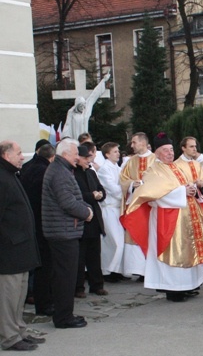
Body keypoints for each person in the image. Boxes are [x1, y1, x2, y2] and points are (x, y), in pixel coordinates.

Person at [123, 133, 203, 302]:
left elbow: (188, 184)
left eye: (171, 150)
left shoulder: (177, 167)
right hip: (166, 218)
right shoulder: (153, 170)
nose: (170, 153)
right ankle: (173, 290)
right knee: (173, 252)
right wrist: (182, 192)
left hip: (185, 217)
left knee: (186, 250)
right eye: (165, 150)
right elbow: (152, 193)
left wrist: (192, 189)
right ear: (157, 153)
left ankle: (188, 286)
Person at [42, 139, 92, 328]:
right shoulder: (60, 173)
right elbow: (67, 203)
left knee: (65, 275)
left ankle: (65, 313)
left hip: (62, 230)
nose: (77, 157)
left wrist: (85, 207)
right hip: (62, 233)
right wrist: (87, 212)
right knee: (65, 277)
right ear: (65, 154)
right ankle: (64, 318)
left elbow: (72, 198)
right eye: (74, 154)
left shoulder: (61, 170)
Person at [0, 141, 44, 351]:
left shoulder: (11, 175)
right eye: (18, 153)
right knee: (8, 297)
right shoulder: (1, 178)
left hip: (22, 248)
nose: (22, 157)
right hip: (9, 250)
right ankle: (9, 337)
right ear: (6, 155)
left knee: (19, 295)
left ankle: (19, 331)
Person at [19, 143, 55, 316]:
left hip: (31, 221)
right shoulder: (45, 171)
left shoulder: (28, 167)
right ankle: (44, 303)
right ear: (52, 157)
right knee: (45, 266)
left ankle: (38, 298)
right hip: (42, 223)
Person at [73, 143, 107, 298]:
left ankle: (97, 285)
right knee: (80, 257)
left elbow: (102, 190)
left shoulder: (91, 173)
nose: (89, 160)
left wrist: (100, 194)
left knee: (95, 255)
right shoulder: (73, 173)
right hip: (81, 219)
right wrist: (92, 195)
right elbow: (76, 196)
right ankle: (78, 287)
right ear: (78, 158)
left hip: (94, 220)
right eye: (86, 157)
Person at [119, 132, 155, 278]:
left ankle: (151, 269)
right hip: (135, 205)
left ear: (143, 143)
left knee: (151, 236)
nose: (131, 145)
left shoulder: (156, 160)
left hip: (151, 205)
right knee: (135, 233)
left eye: (134, 142)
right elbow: (122, 179)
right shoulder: (130, 162)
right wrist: (131, 184)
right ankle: (139, 269)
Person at [97, 142, 126, 282]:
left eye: (118, 151)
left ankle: (116, 270)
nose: (118, 153)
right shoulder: (104, 169)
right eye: (115, 151)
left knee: (120, 240)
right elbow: (114, 190)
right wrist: (126, 191)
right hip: (109, 208)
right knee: (114, 241)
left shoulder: (118, 168)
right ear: (107, 154)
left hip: (117, 208)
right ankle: (107, 270)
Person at [61, 73, 110, 140]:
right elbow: (67, 125)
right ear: (77, 106)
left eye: (83, 106)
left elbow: (94, 95)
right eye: (80, 106)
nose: (82, 108)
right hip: (75, 140)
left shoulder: (86, 110)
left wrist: (104, 80)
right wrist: (65, 138)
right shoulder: (71, 113)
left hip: (85, 140)